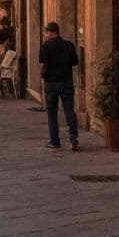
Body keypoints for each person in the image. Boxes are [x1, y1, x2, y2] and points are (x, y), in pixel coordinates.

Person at [39, 21, 79, 151]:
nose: (45, 35)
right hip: (66, 81)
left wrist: (42, 77)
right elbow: (75, 62)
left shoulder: (46, 46)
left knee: (52, 112)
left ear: (51, 32)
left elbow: (43, 65)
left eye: (46, 32)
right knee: (69, 110)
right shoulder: (69, 45)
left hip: (51, 83)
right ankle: (73, 137)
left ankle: (54, 141)